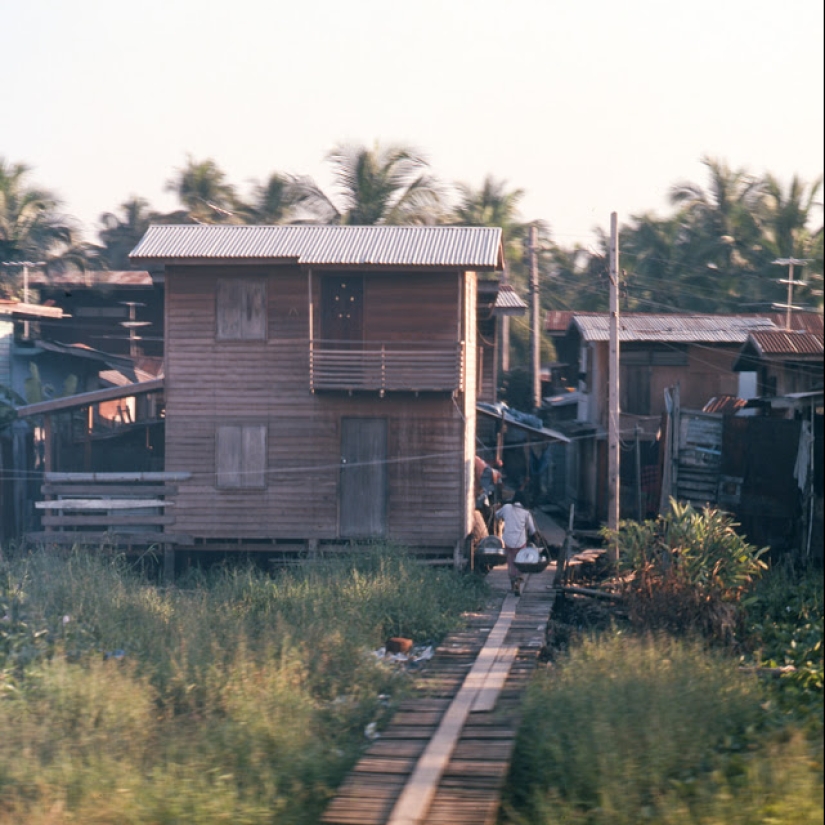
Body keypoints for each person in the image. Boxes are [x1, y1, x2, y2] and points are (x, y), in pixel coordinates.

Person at [495, 491, 541, 594]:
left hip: (508, 541)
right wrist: (537, 538)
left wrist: (497, 508)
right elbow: (532, 530)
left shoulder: (506, 508)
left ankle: (512, 585)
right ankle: (518, 581)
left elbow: (496, 515)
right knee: (520, 562)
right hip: (520, 542)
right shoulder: (526, 513)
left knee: (511, 562)